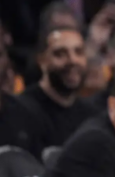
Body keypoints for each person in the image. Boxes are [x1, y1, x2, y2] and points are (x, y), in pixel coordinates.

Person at [18, 25, 98, 162]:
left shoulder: (92, 115)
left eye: (79, 52)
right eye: (60, 54)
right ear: (42, 61)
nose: (72, 60)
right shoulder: (21, 110)